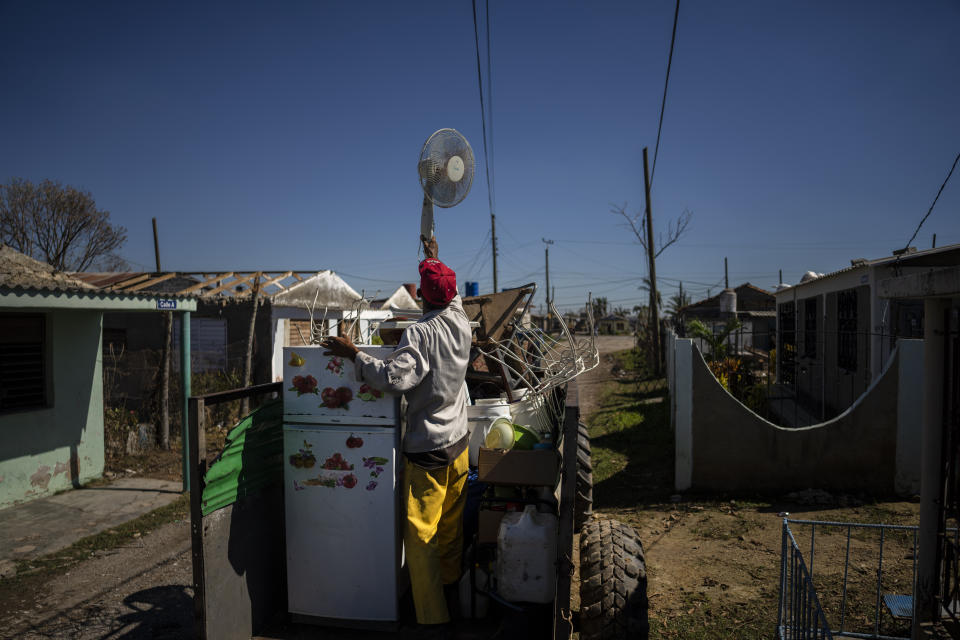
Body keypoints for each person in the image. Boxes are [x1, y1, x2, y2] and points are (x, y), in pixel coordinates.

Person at [321, 235, 471, 631]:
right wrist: (434, 257)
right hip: (460, 444)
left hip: (430, 449)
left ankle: (433, 620)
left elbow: (393, 377)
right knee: (450, 527)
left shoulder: (420, 334)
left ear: (423, 296)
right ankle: (453, 593)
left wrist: (354, 353)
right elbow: (445, 294)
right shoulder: (461, 318)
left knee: (421, 538)